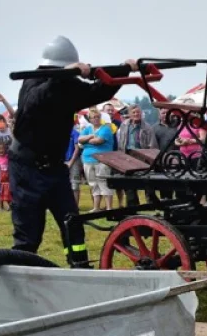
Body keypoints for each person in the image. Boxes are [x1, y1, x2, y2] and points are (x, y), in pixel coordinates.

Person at [9, 36, 136, 265]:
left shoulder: (68, 85)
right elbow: (37, 100)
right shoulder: (33, 82)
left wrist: (124, 70)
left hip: (55, 169)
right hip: (27, 169)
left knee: (72, 226)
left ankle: (79, 267)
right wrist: (64, 76)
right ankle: (21, 273)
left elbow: (99, 92)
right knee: (28, 234)